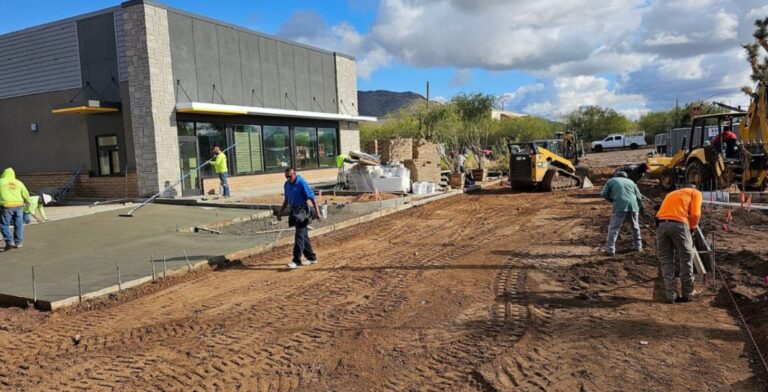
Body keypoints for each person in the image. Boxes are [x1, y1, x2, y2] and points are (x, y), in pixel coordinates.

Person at [655, 184, 702, 304]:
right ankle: (688, 293)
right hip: (679, 224)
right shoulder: (695, 193)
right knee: (686, 257)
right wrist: (692, 228)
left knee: (666, 260)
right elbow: (695, 214)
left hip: (661, 225)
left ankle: (671, 295)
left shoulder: (671, 194)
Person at [277, 168, 322, 270]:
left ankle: (296, 261)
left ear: (295, 174)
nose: (288, 179)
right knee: (303, 236)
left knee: (299, 236)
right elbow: (287, 199)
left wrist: (318, 213)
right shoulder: (287, 184)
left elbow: (312, 198)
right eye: (286, 177)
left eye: (290, 176)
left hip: (302, 211)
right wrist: (280, 211)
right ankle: (311, 257)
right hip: (294, 210)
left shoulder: (301, 183)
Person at [601, 171, 644, 256]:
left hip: (620, 206)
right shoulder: (631, 182)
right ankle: (638, 246)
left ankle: (610, 249)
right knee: (635, 226)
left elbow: (604, 194)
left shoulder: (611, 180)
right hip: (633, 206)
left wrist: (613, 200)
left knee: (614, 228)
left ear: (616, 176)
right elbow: (639, 197)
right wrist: (641, 208)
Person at [0, 168, 30, 251]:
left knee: (4, 225)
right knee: (18, 224)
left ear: (3, 174)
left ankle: (9, 241)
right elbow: (26, 193)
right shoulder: (19, 182)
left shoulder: (1, 182)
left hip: (7, 205)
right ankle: (18, 243)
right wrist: (27, 200)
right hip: (19, 205)